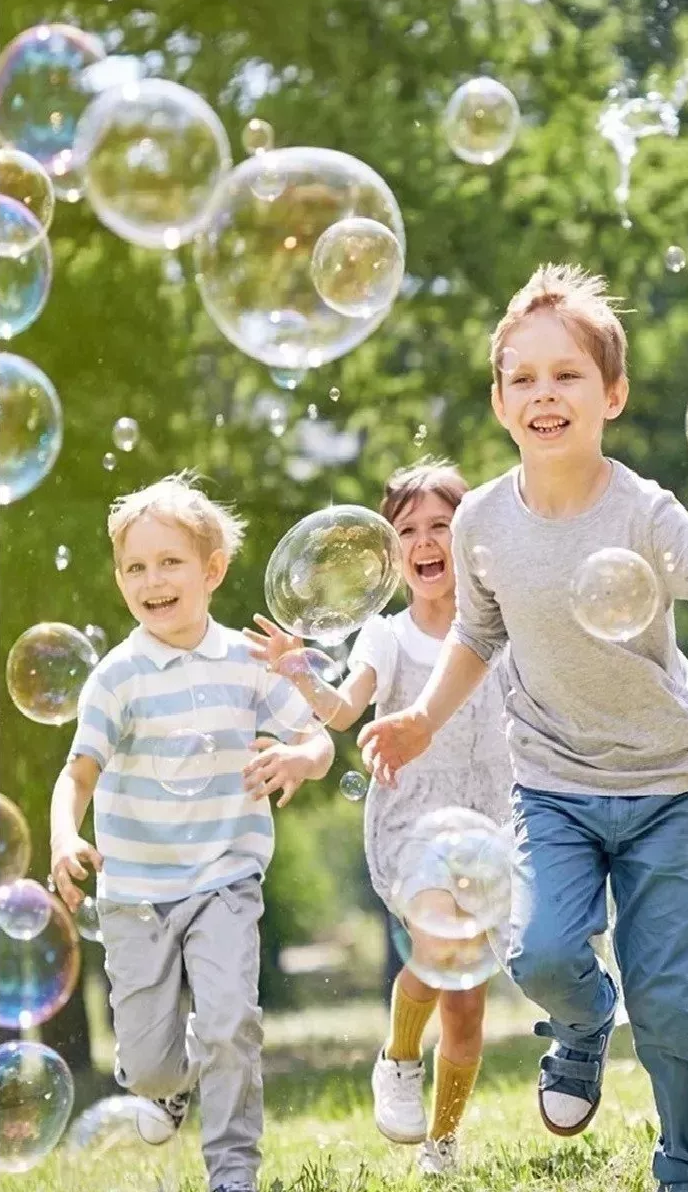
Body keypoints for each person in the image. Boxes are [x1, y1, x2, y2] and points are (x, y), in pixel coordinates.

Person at [357, 264, 688, 1192]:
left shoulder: (645, 511)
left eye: (567, 375)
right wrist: (420, 717)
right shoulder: (485, 520)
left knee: (669, 1000)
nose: (546, 394)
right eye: (524, 378)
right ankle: (581, 1030)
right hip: (552, 784)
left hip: (660, 785)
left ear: (610, 392)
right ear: (500, 402)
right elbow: (479, 634)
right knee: (537, 953)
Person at [49, 473, 334, 1192]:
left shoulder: (247, 661)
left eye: (169, 562)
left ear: (211, 571)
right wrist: (63, 837)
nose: (152, 580)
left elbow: (319, 736)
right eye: (135, 567)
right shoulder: (117, 678)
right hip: (136, 893)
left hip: (225, 879)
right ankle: (166, 1084)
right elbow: (76, 775)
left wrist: (301, 754)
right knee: (147, 1063)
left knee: (231, 1018)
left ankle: (232, 1170)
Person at [244, 460, 511, 1178]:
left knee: (466, 1010)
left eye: (441, 528)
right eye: (408, 531)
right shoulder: (386, 639)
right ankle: (398, 1058)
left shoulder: (504, 621)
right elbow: (341, 709)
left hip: (495, 823)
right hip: (414, 820)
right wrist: (301, 674)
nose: (426, 543)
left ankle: (443, 1141)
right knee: (437, 947)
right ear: (392, 554)